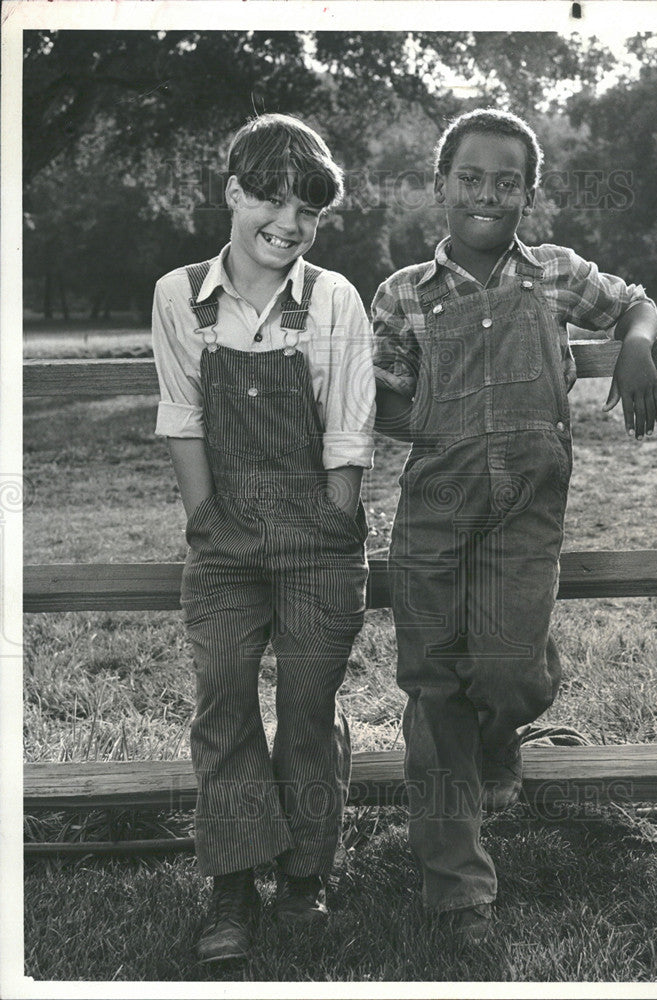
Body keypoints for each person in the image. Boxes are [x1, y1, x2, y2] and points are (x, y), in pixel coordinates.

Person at [371, 108, 657, 945]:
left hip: (525, 519)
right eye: (471, 178)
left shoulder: (556, 275)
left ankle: (514, 716)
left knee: (509, 676)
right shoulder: (401, 295)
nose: (488, 195)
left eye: (507, 182)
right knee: (433, 693)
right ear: (440, 186)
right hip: (433, 513)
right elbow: (378, 402)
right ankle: (457, 892)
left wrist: (636, 346)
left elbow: (635, 302)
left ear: (529, 195)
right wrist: (435, 413)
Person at [152, 113, 375, 962]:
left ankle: (305, 876)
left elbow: (350, 428)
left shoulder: (332, 299)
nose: (289, 224)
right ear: (233, 194)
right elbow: (181, 415)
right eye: (271, 201)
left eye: (309, 212)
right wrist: (208, 519)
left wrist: (331, 515)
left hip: (318, 537)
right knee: (224, 696)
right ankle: (233, 885)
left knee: (309, 708)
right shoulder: (182, 296)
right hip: (225, 541)